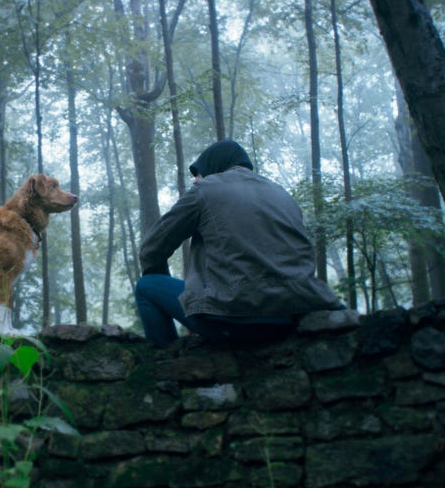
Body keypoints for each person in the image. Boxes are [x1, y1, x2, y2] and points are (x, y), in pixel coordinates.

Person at [134, 140, 345, 347]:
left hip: (233, 319)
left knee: (147, 285)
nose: (196, 180)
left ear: (212, 166)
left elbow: (152, 249)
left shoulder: (206, 190)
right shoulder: (281, 193)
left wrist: (159, 276)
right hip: (293, 315)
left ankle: (166, 365)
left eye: (198, 174)